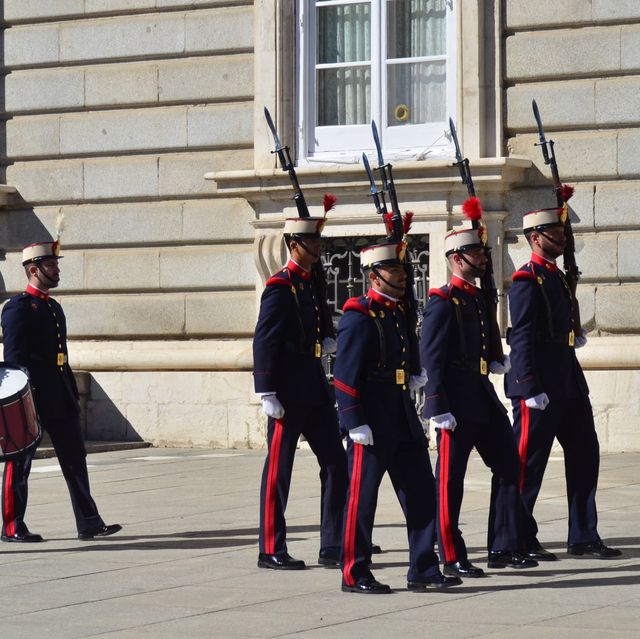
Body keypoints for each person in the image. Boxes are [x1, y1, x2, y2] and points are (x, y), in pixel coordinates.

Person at [334, 240, 460, 593]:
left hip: (402, 416)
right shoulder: (359, 315)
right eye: (394, 270)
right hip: (371, 421)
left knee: (421, 493)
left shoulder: (395, 311)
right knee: (362, 500)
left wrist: (415, 371)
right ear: (374, 276)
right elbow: (345, 373)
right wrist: (352, 419)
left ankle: (423, 567)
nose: (403, 275)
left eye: (404, 269)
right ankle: (354, 572)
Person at [420, 214, 537, 576]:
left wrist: (494, 360)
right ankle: (450, 554)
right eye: (476, 253)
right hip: (454, 402)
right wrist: (437, 405)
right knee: (450, 481)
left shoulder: (475, 297)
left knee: (508, 466)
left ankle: (503, 545)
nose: (484, 259)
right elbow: (432, 357)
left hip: (482, 396)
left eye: (483, 253)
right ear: (457, 258)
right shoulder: (444, 300)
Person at [506, 206, 621, 559]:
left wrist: (575, 331)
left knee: (586, 454)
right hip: (538, 386)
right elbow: (521, 337)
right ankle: (519, 537)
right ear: (535, 238)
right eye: (554, 234)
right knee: (528, 465)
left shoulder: (556, 277)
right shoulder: (527, 280)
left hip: (568, 382)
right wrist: (528, 385)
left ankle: (584, 534)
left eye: (563, 233)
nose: (562, 239)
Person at [1, 241, 121, 542]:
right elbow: (15, 361)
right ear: (33, 269)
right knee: (20, 463)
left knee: (75, 460)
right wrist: (25, 401)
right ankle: (12, 525)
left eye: (56, 265)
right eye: (51, 265)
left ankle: (89, 522)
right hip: (34, 399)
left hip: (61, 396)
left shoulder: (53, 307)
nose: (57, 270)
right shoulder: (17, 309)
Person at [253, 215, 348, 570]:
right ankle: (270, 547)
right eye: (314, 243)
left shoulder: (310, 282)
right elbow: (264, 339)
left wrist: (324, 335)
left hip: (313, 387)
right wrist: (266, 390)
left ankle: (333, 544)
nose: (319, 249)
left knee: (336, 463)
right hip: (287, 393)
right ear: (295, 245)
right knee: (279, 471)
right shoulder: (281, 286)